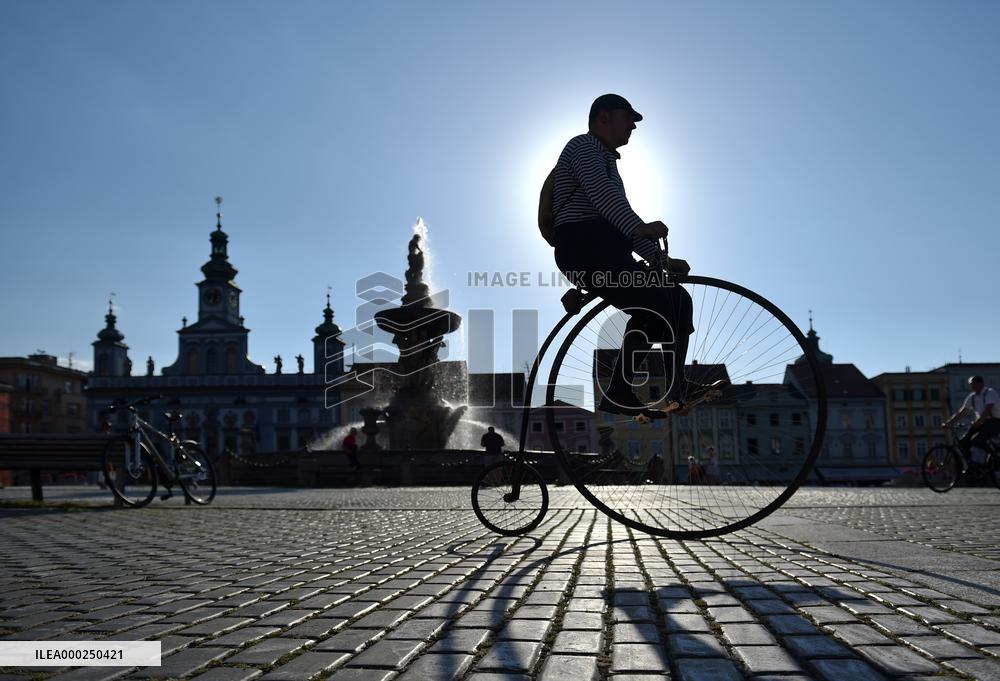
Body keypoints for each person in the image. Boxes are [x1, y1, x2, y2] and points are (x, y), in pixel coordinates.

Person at [550, 94, 723, 417]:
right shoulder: (583, 147)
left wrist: (660, 260)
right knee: (656, 302)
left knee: (676, 300)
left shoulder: (607, 161)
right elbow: (605, 201)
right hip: (584, 249)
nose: (633, 126)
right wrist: (642, 229)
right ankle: (619, 392)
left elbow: (622, 224)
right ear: (603, 118)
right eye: (627, 118)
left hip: (605, 250)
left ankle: (674, 384)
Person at [944, 375, 1000, 463]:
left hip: (995, 421)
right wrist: (950, 422)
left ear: (981, 384)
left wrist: (979, 421)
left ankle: (994, 455)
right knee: (963, 442)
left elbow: (988, 409)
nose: (973, 386)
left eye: (975, 384)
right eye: (971, 384)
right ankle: (971, 466)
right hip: (981, 422)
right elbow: (962, 412)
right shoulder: (972, 397)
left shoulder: (990, 393)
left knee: (977, 440)